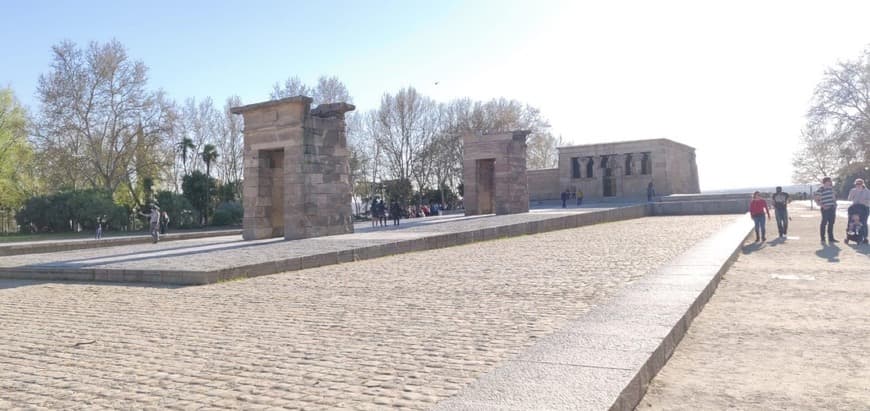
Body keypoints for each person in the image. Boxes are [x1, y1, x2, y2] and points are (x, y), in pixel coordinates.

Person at [814, 176, 838, 244]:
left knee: (831, 223)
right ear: (825, 182)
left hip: (832, 208)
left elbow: (833, 197)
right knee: (824, 223)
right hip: (825, 208)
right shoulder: (820, 189)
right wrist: (822, 206)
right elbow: (816, 199)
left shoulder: (831, 189)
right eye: (829, 181)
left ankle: (831, 238)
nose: (830, 182)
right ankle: (823, 239)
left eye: (830, 181)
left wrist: (835, 204)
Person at [846, 178, 870, 244]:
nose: (858, 185)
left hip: (864, 208)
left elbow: (869, 201)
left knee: (863, 223)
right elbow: (849, 199)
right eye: (857, 184)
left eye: (859, 184)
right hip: (855, 208)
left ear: (863, 184)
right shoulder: (853, 190)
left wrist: (864, 201)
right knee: (851, 222)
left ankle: (865, 237)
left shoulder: (867, 191)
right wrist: (852, 194)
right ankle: (849, 236)